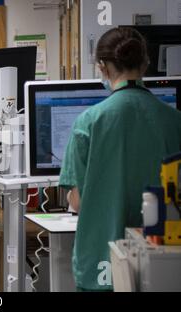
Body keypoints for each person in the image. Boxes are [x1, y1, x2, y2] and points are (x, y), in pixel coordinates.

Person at [60, 27, 181, 291]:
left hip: (102, 265)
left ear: (101, 67)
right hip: (167, 265)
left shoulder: (88, 123)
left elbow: (79, 201)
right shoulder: (175, 121)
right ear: (146, 63)